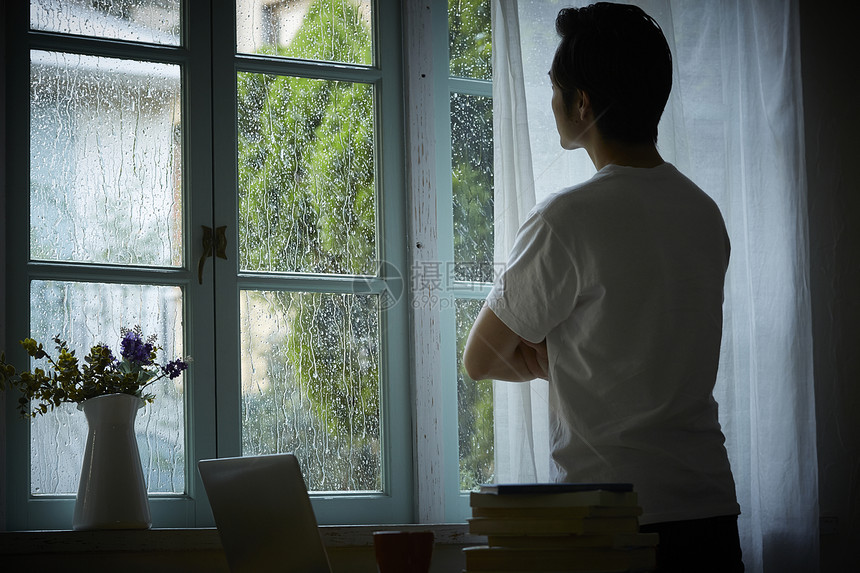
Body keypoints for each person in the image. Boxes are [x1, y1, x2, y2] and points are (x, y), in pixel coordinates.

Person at [462, 3, 744, 572]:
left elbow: (479, 358)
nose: (552, 104)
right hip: (710, 512)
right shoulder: (703, 213)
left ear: (582, 103)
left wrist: (543, 360)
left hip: (611, 520)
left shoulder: (566, 220)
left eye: (556, 90)